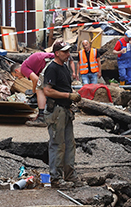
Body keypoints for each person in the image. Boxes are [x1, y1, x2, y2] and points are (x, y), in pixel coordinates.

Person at [42, 41, 83, 188]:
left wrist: (73, 94)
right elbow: (47, 91)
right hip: (56, 111)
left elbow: (65, 87)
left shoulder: (64, 68)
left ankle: (70, 175)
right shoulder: (52, 69)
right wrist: (68, 96)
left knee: (69, 144)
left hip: (65, 110)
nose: (68, 54)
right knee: (58, 145)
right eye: (65, 52)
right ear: (57, 53)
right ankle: (56, 178)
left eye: (68, 51)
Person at [10, 51, 55, 126]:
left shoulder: (24, 68)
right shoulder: (29, 65)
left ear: (17, 70)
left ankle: (41, 118)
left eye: (17, 76)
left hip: (50, 62)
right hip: (54, 60)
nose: (19, 78)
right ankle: (46, 115)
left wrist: (34, 91)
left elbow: (36, 80)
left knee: (39, 90)